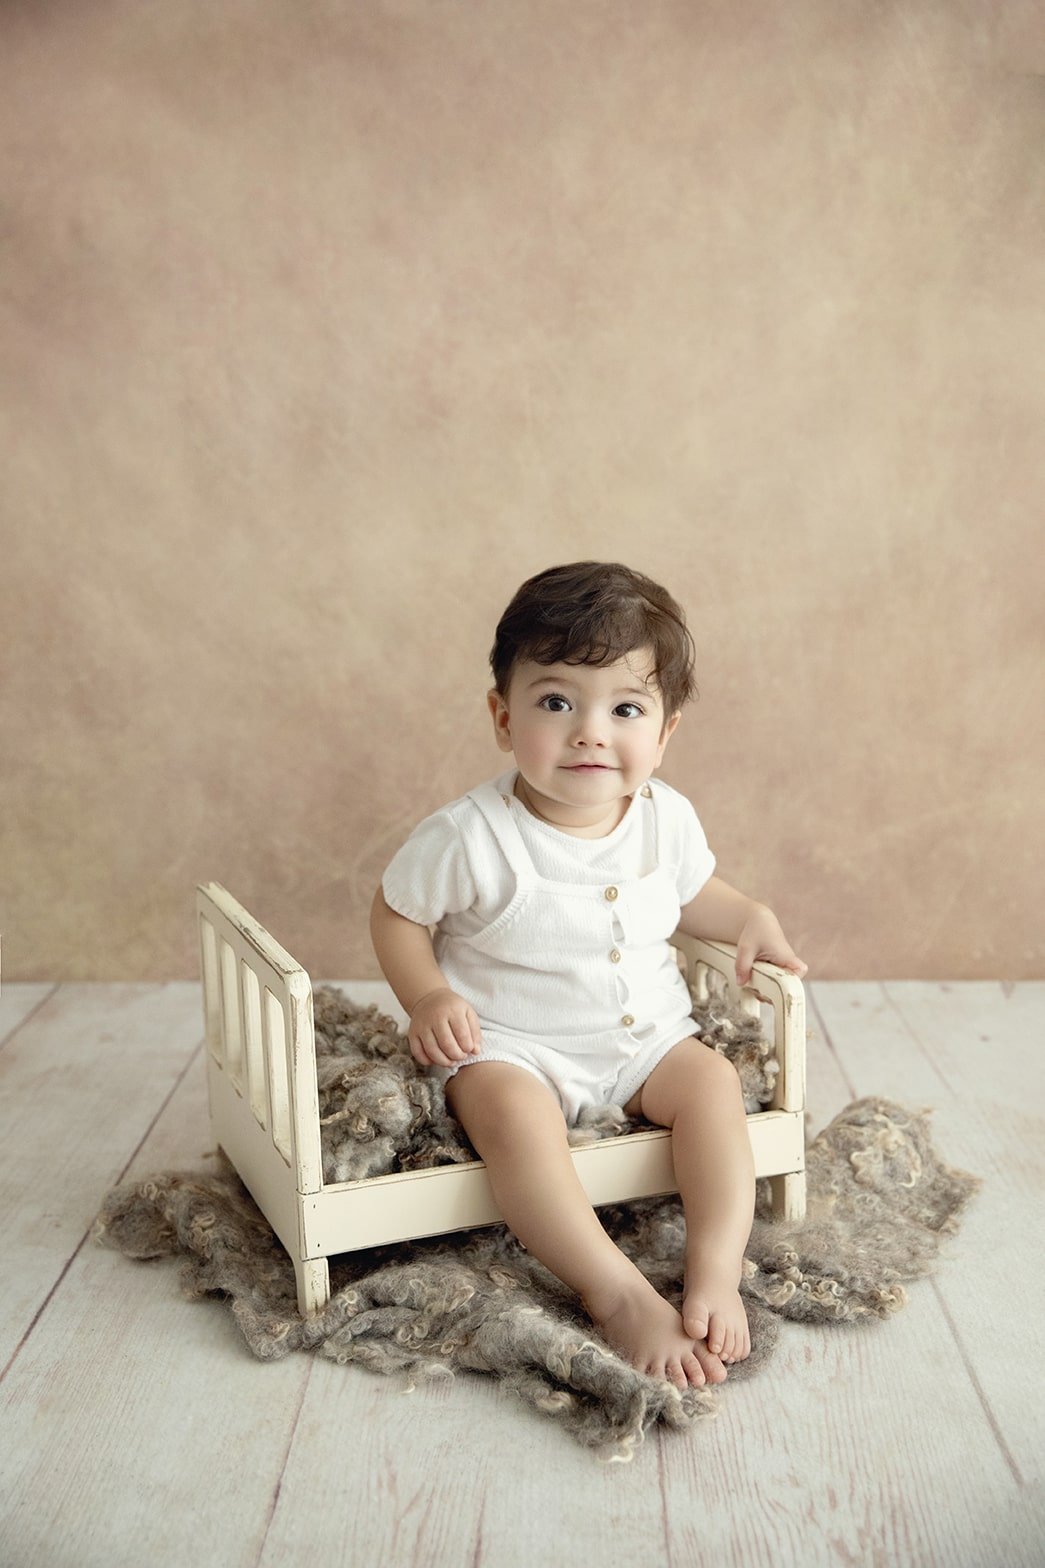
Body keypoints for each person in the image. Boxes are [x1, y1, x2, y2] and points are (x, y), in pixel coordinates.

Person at [371, 561, 807, 1391]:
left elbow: (693, 894)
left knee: (712, 1085)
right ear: (503, 717)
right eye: (556, 701)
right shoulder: (470, 836)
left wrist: (747, 914)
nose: (589, 732)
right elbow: (396, 914)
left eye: (626, 708)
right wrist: (427, 994)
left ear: (665, 732)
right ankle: (614, 1291)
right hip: (511, 1044)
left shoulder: (664, 818)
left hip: (644, 1038)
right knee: (511, 1123)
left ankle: (714, 1266)